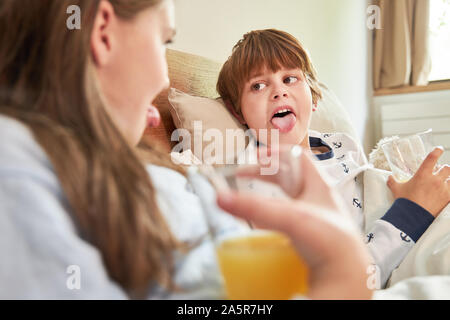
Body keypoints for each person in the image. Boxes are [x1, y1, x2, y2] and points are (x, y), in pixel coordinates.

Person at [0, 0, 377, 300]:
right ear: (102, 33)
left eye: (290, 79)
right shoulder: (18, 171)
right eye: (164, 40)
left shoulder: (144, 173)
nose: (164, 77)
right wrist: (343, 283)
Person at [216, 29, 450, 288]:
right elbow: (329, 281)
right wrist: (413, 210)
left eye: (290, 78)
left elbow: (371, 198)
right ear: (237, 113)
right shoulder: (258, 173)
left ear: (314, 97)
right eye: (258, 86)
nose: (278, 92)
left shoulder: (342, 144)